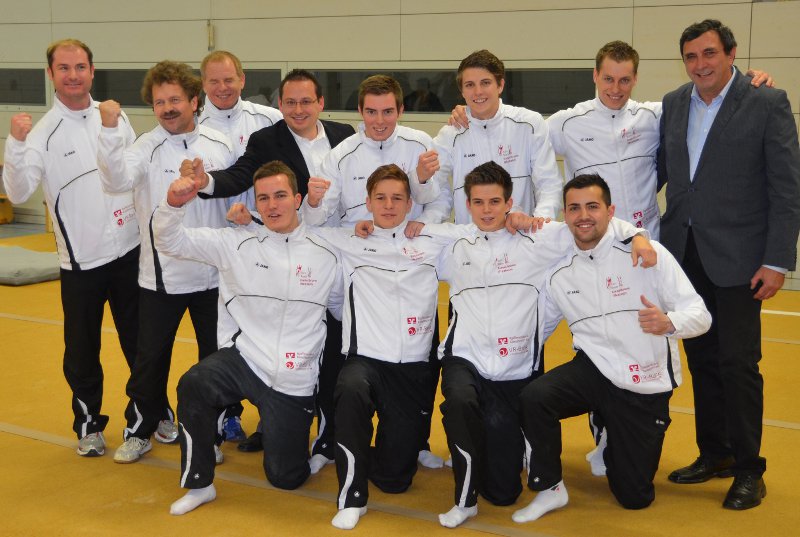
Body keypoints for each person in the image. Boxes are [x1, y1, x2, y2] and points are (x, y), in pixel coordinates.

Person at [426, 162, 653, 528]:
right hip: (464, 357)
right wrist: (374, 228)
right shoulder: (453, 241)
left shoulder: (538, 238)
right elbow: (400, 233)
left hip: (515, 367)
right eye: (478, 202)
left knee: (503, 492)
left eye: (495, 202)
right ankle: (464, 500)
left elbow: (589, 225)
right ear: (467, 205)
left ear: (509, 202)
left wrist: (638, 235)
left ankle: (497, 451)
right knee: (459, 402)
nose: (486, 210)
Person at [658, 19, 800, 510]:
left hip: (742, 260)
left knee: (738, 364)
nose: (700, 65)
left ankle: (748, 469)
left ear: (731, 53)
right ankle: (714, 453)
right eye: (691, 56)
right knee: (702, 359)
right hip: (685, 254)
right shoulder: (674, 103)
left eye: (709, 53)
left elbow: (786, 188)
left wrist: (777, 260)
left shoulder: (766, 102)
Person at [512, 174, 711, 523]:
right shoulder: (559, 272)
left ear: (610, 211)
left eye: (592, 207)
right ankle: (550, 487)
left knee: (633, 496)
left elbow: (701, 316)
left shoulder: (649, 255)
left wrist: (669, 322)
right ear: (565, 214)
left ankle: (607, 429)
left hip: (643, 380)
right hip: (594, 368)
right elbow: (539, 329)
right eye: (574, 208)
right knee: (535, 397)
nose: (583, 216)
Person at [152, 161, 342, 515]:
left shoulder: (327, 253)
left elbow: (340, 309)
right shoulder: (234, 243)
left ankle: (300, 446)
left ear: (297, 199)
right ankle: (199, 483)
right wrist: (173, 205)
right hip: (244, 358)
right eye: (264, 198)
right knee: (194, 383)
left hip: (294, 375)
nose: (272, 205)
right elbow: (170, 241)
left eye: (280, 195)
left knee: (286, 477)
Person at [187, 68, 355, 454]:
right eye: (290, 102)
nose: (298, 109)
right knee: (283, 344)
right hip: (291, 256)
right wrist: (204, 182)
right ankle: (272, 421)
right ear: (280, 104)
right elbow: (239, 177)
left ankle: (328, 433)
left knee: (334, 348)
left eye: (306, 101)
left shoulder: (344, 135)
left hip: (338, 253)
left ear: (321, 103)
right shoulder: (267, 139)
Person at [300, 74, 452, 472]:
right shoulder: (341, 155)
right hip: (358, 270)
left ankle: (415, 441)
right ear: (360, 111)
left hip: (412, 269)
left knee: (421, 363)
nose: (379, 121)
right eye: (371, 112)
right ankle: (331, 440)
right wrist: (319, 207)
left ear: (400, 110)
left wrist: (422, 224)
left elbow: (441, 202)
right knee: (343, 367)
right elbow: (320, 217)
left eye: (387, 111)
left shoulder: (421, 144)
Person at [2, 39, 140, 458]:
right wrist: (15, 144)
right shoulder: (41, 134)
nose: (73, 75)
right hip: (81, 263)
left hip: (130, 251)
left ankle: (149, 416)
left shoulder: (115, 117)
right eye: (64, 68)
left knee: (141, 344)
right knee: (82, 353)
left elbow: (135, 174)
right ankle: (89, 424)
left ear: (92, 71)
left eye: (80, 67)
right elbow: (18, 191)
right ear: (51, 74)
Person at [97, 60, 235, 463]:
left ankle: (209, 436)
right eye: (159, 102)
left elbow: (237, 196)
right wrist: (109, 131)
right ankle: (141, 429)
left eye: (175, 99)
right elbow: (115, 181)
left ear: (194, 100)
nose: (168, 108)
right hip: (161, 278)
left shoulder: (220, 143)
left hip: (214, 277)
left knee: (215, 361)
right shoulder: (146, 146)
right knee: (150, 362)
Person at [197, 50, 283, 443]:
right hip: (221, 249)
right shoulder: (193, 127)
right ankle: (226, 414)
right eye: (214, 81)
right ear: (203, 84)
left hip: (268, 243)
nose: (222, 87)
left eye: (229, 79)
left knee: (270, 332)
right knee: (223, 337)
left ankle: (272, 413)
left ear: (242, 79)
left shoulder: (269, 119)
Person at [433, 49, 562, 224]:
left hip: (519, 234)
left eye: (485, 83)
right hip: (469, 237)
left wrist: (539, 222)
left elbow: (549, 184)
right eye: (470, 85)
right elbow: (435, 191)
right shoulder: (450, 134)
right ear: (462, 91)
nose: (478, 91)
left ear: (500, 85)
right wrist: (428, 220)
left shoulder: (529, 124)